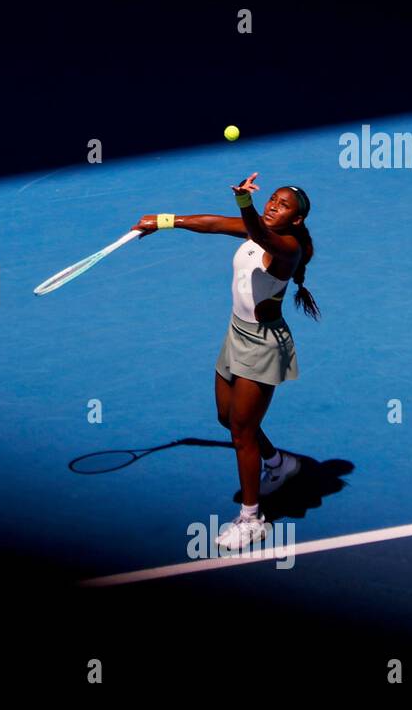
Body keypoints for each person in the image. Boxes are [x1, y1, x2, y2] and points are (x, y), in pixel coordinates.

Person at [133, 173, 320, 550]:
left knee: (242, 430)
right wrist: (166, 221)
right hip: (236, 334)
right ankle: (278, 463)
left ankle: (252, 519)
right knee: (227, 417)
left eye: (283, 206)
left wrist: (245, 204)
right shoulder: (259, 228)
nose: (272, 206)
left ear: (296, 220)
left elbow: (256, 231)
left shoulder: (284, 247)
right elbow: (216, 224)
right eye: (271, 200)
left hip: (262, 346)